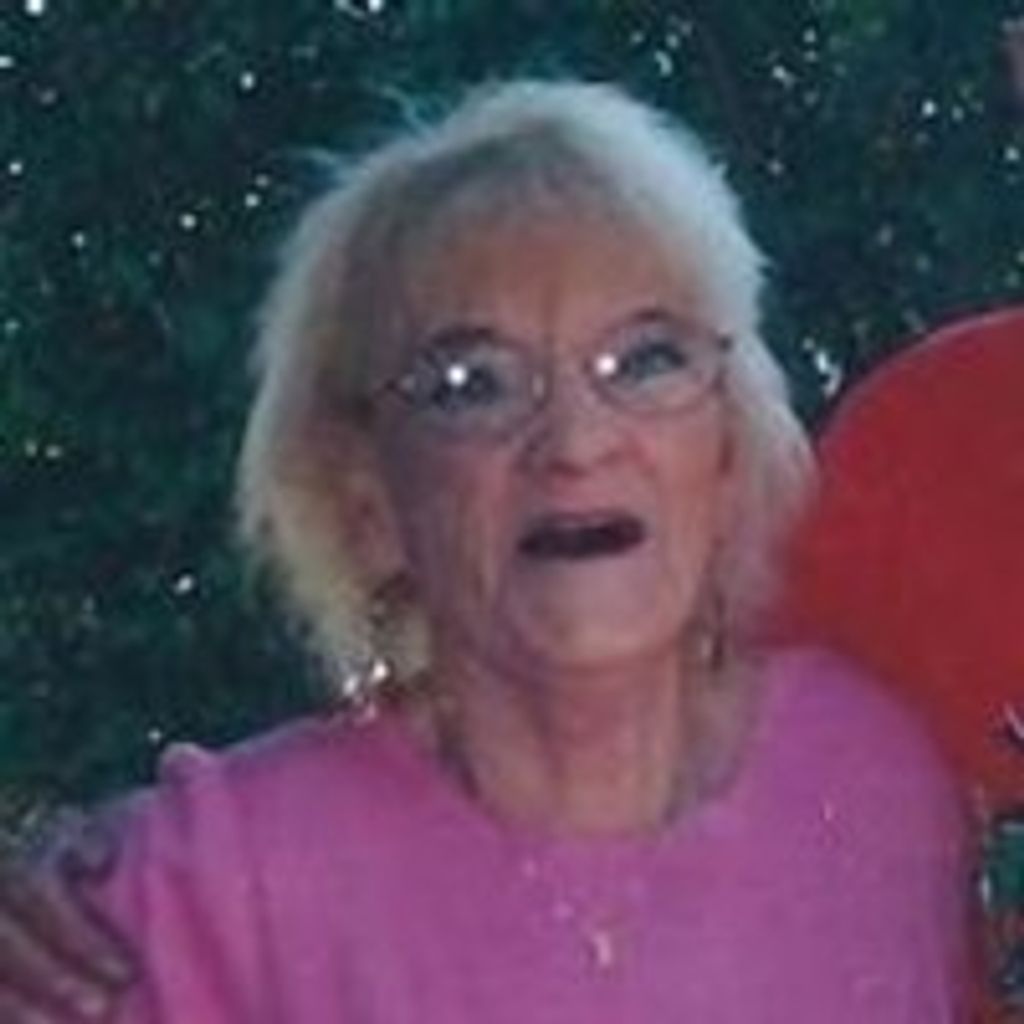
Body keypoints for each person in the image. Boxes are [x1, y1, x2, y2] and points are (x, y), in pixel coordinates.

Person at [0, 80, 968, 1023]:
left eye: (646, 359)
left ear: (728, 445)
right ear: (366, 494)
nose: (576, 442)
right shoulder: (206, 890)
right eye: (473, 383)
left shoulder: (877, 775)